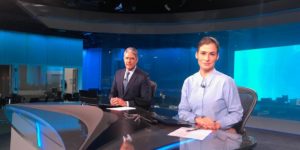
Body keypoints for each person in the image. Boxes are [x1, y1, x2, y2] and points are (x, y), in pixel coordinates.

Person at [178, 36, 243, 131]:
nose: (207, 58)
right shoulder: (188, 81)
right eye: (203, 53)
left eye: (212, 54)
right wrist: (197, 119)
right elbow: (183, 111)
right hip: (193, 132)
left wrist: (217, 124)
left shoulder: (226, 81)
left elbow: (237, 113)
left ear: (217, 57)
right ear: (197, 55)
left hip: (217, 134)